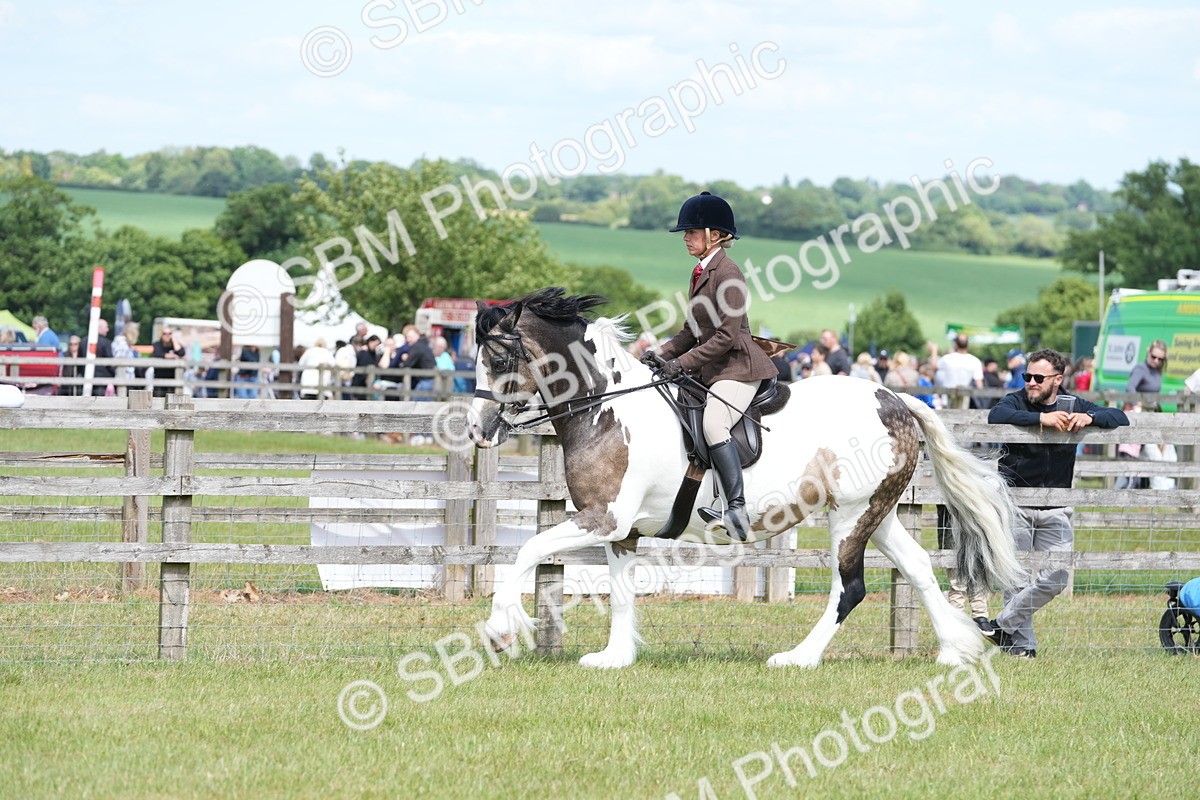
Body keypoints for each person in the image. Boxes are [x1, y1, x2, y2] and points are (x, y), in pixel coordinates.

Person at [643, 191, 777, 541]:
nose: (685, 238)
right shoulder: (701, 270)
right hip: (714, 368)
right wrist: (661, 355)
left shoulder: (728, 272)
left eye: (691, 232)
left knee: (715, 424)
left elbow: (727, 337)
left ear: (714, 235)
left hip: (738, 367)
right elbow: (692, 331)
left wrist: (681, 364)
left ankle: (736, 508)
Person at [985, 348, 1129, 657]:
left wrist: (1090, 417)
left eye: (1039, 378)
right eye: (1028, 376)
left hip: (1057, 508)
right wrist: (1041, 419)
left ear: (1058, 379)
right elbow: (995, 415)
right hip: (1018, 505)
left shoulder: (1073, 403)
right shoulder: (1017, 401)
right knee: (1017, 579)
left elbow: (1119, 416)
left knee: (1058, 577)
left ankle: (1000, 625)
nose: (1031, 383)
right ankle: (1022, 648)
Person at [935, 333, 983, 410]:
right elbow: (979, 385)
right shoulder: (975, 361)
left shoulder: (947, 358)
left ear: (955, 344)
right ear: (968, 345)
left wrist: (934, 350)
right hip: (964, 399)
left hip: (947, 397)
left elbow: (934, 366)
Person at [150, 325, 186, 398]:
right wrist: (172, 356)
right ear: (161, 335)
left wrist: (174, 340)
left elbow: (181, 353)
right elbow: (157, 354)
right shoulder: (157, 344)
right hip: (159, 379)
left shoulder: (175, 345)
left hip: (173, 379)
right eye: (164, 333)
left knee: (173, 402)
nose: (167, 335)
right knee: (158, 401)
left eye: (169, 333)